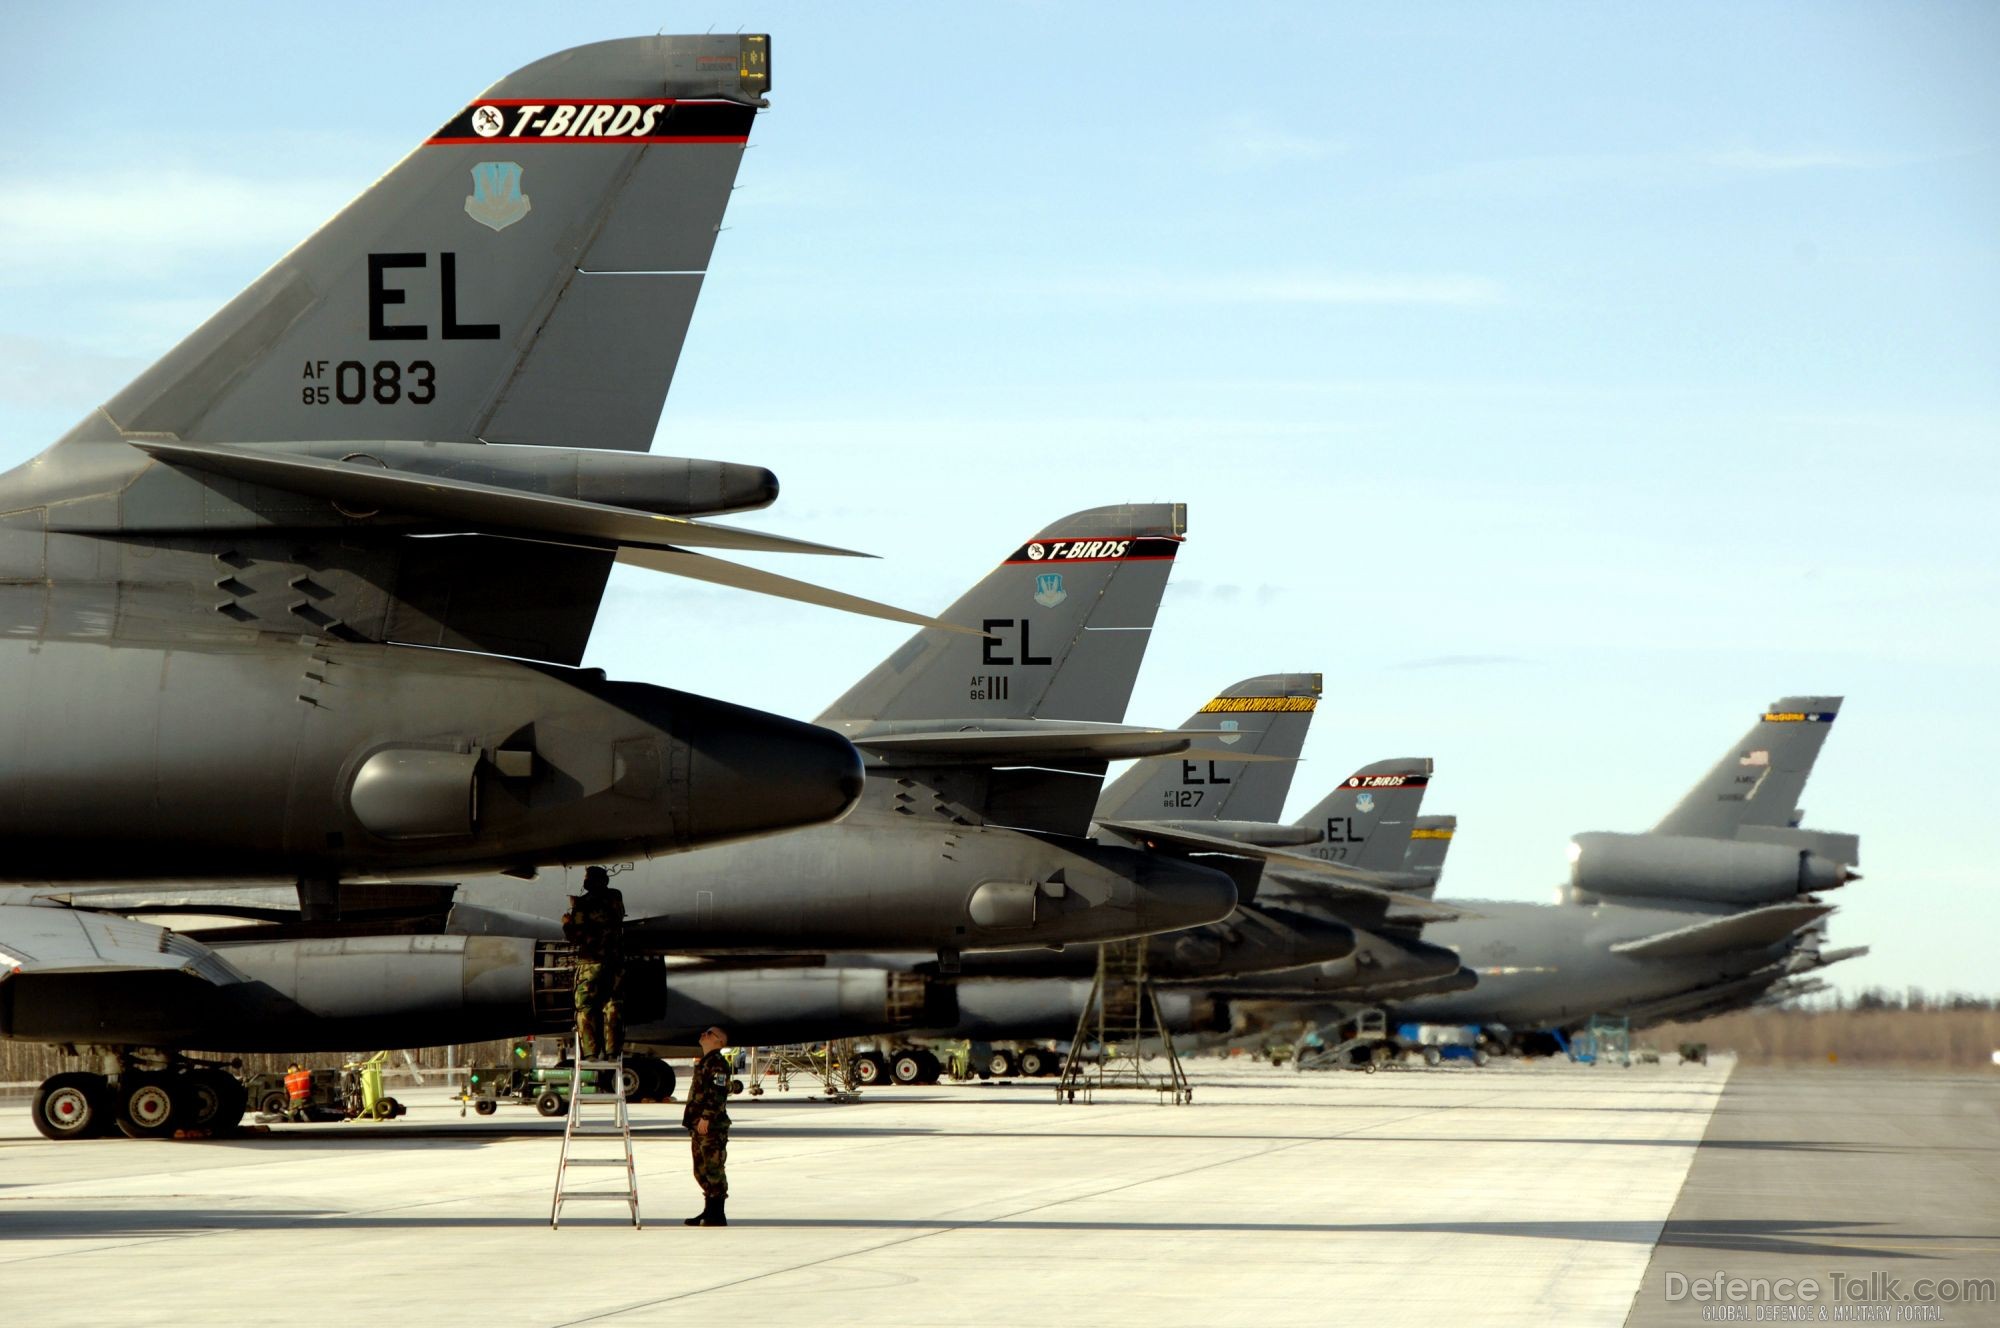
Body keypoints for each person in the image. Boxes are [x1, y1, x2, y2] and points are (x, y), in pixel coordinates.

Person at [561, 865, 625, 1060]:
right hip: (614, 962)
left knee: (586, 1007)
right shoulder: (615, 897)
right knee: (613, 1005)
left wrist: (566, 922)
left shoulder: (583, 903)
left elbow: (576, 936)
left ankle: (591, 1053)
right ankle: (613, 1051)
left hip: (590, 962)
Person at [682, 1024, 732, 1227]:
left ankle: (717, 1214)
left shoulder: (718, 1063)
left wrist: (707, 1118)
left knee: (713, 1168)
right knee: (700, 1169)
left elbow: (717, 1093)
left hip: (711, 1126)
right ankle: (708, 1211)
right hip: (699, 1124)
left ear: (719, 1042)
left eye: (710, 1033)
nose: (704, 1034)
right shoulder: (705, 1062)